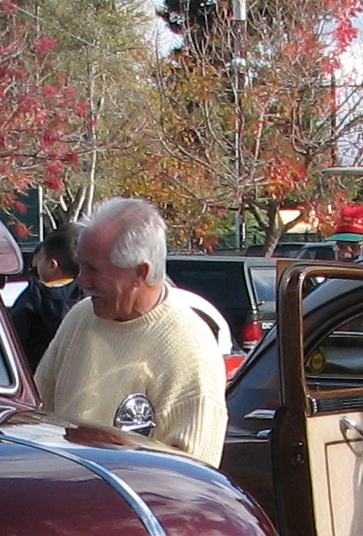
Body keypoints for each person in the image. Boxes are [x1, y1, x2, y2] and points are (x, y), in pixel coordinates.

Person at [34, 198, 226, 466]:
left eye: (94, 269)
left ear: (140, 273)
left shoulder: (189, 349)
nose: (82, 281)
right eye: (81, 265)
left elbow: (191, 480)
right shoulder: (80, 317)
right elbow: (38, 411)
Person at [9, 226, 81, 368]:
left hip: (36, 374)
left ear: (52, 265)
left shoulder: (32, 297)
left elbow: (12, 341)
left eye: (41, 257)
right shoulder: (87, 296)